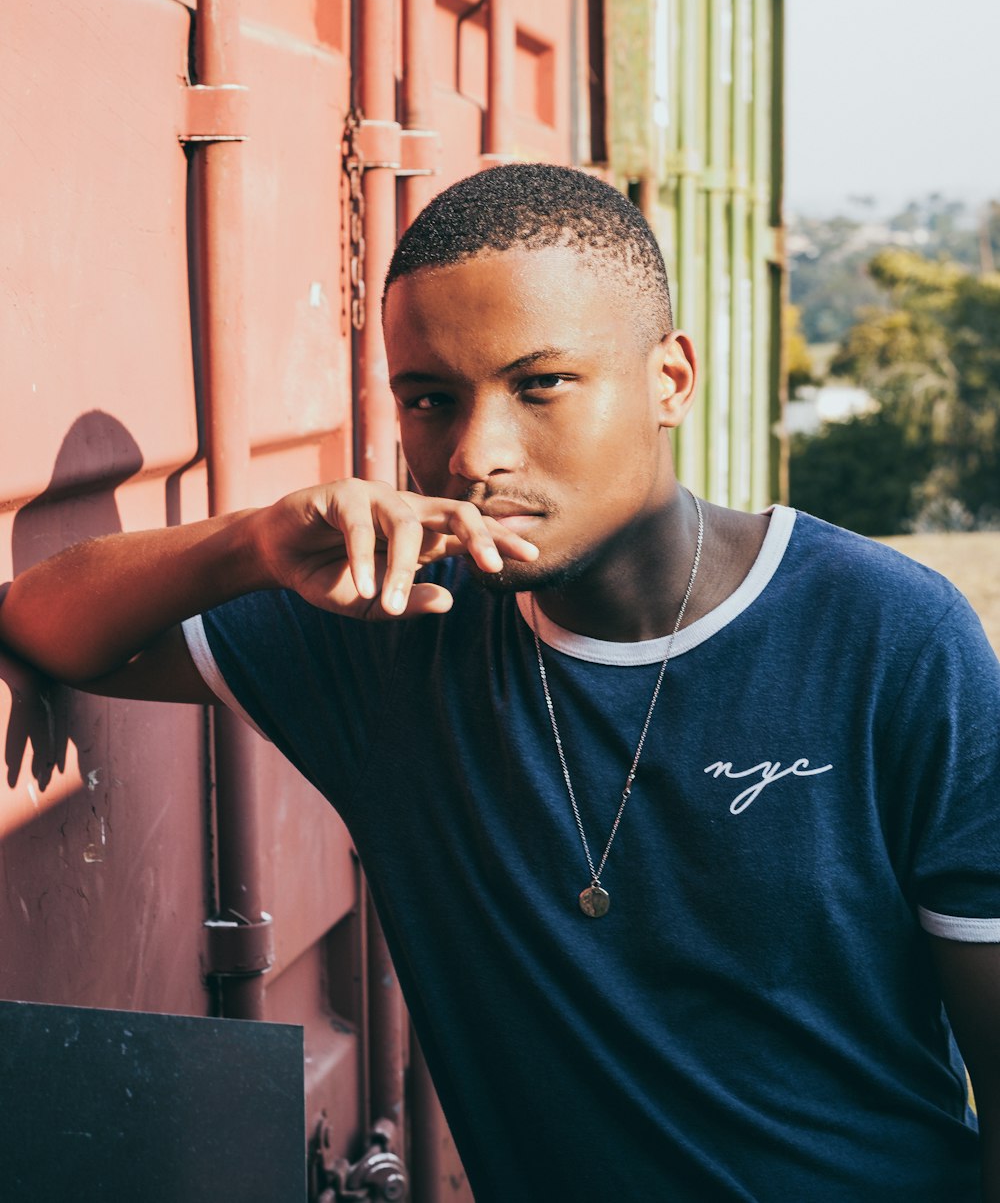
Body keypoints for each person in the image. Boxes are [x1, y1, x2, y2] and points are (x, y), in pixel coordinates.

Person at [1, 163, 998, 1202]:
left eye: (540, 385)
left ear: (671, 379)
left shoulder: (887, 636)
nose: (475, 453)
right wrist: (256, 539)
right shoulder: (391, 629)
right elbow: (42, 624)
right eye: (429, 400)